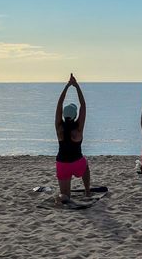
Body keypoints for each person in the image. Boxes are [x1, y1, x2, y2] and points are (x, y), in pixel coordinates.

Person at [55, 73, 90, 203]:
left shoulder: (59, 128)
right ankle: (87, 192)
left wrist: (67, 86)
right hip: (77, 162)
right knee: (86, 166)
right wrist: (76, 86)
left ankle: (62, 197)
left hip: (62, 164)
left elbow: (59, 104)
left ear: (64, 115)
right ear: (75, 115)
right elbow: (83, 105)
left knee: (65, 196)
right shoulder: (78, 129)